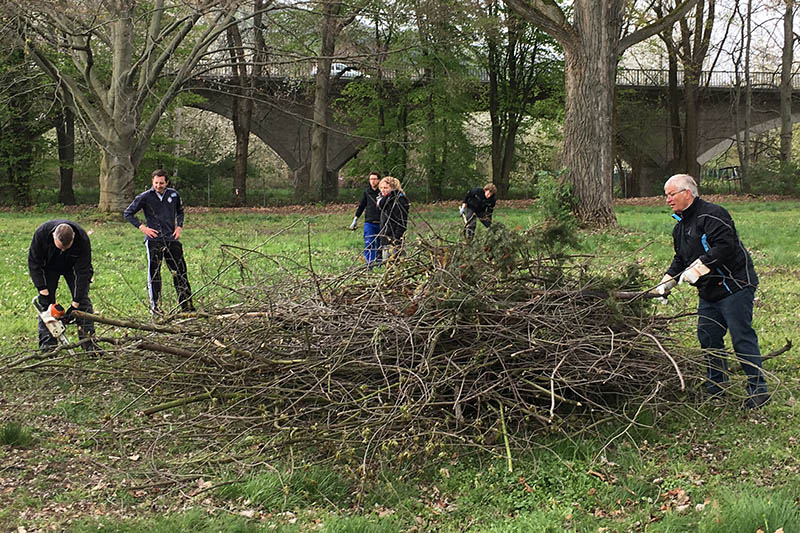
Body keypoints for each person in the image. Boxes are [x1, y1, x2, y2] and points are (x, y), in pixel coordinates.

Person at [653, 173, 768, 409]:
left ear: (687, 193)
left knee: (741, 337)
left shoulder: (713, 214)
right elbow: (680, 259)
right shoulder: (680, 227)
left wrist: (699, 268)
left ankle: (759, 390)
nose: (667, 200)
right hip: (709, 293)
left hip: (734, 285)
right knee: (708, 338)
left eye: (671, 194)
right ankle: (716, 389)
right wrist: (666, 282)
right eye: (666, 196)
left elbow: (725, 246)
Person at [124, 169, 195, 314]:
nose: (158, 186)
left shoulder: (173, 195)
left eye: (161, 183)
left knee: (180, 271)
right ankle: (155, 307)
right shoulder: (144, 197)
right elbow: (128, 213)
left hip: (171, 239)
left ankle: (187, 306)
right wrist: (143, 228)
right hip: (154, 240)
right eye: (156, 183)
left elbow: (180, 211)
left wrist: (179, 226)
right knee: (155, 274)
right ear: (152, 182)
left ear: (166, 182)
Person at [28, 220, 100, 352]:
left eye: (66, 248)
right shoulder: (41, 234)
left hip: (73, 268)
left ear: (73, 238)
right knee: (46, 306)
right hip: (48, 267)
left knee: (83, 303)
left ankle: (89, 343)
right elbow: (34, 264)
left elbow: (83, 272)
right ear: (53, 236)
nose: (62, 250)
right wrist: (42, 290)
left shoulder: (82, 239)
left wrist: (75, 303)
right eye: (60, 247)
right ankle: (48, 347)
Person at [349, 171, 382, 267]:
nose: (373, 181)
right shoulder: (367, 192)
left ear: (379, 180)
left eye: (375, 179)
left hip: (381, 221)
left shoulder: (383, 191)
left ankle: (380, 263)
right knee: (369, 242)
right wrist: (355, 219)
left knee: (380, 243)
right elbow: (361, 206)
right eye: (371, 179)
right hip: (369, 222)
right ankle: (369, 264)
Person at [376, 176, 410, 263]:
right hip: (385, 239)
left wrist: (396, 241)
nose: (383, 190)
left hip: (395, 240)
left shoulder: (400, 200)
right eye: (381, 188)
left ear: (393, 188)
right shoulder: (385, 200)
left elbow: (401, 223)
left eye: (386, 188)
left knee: (395, 266)